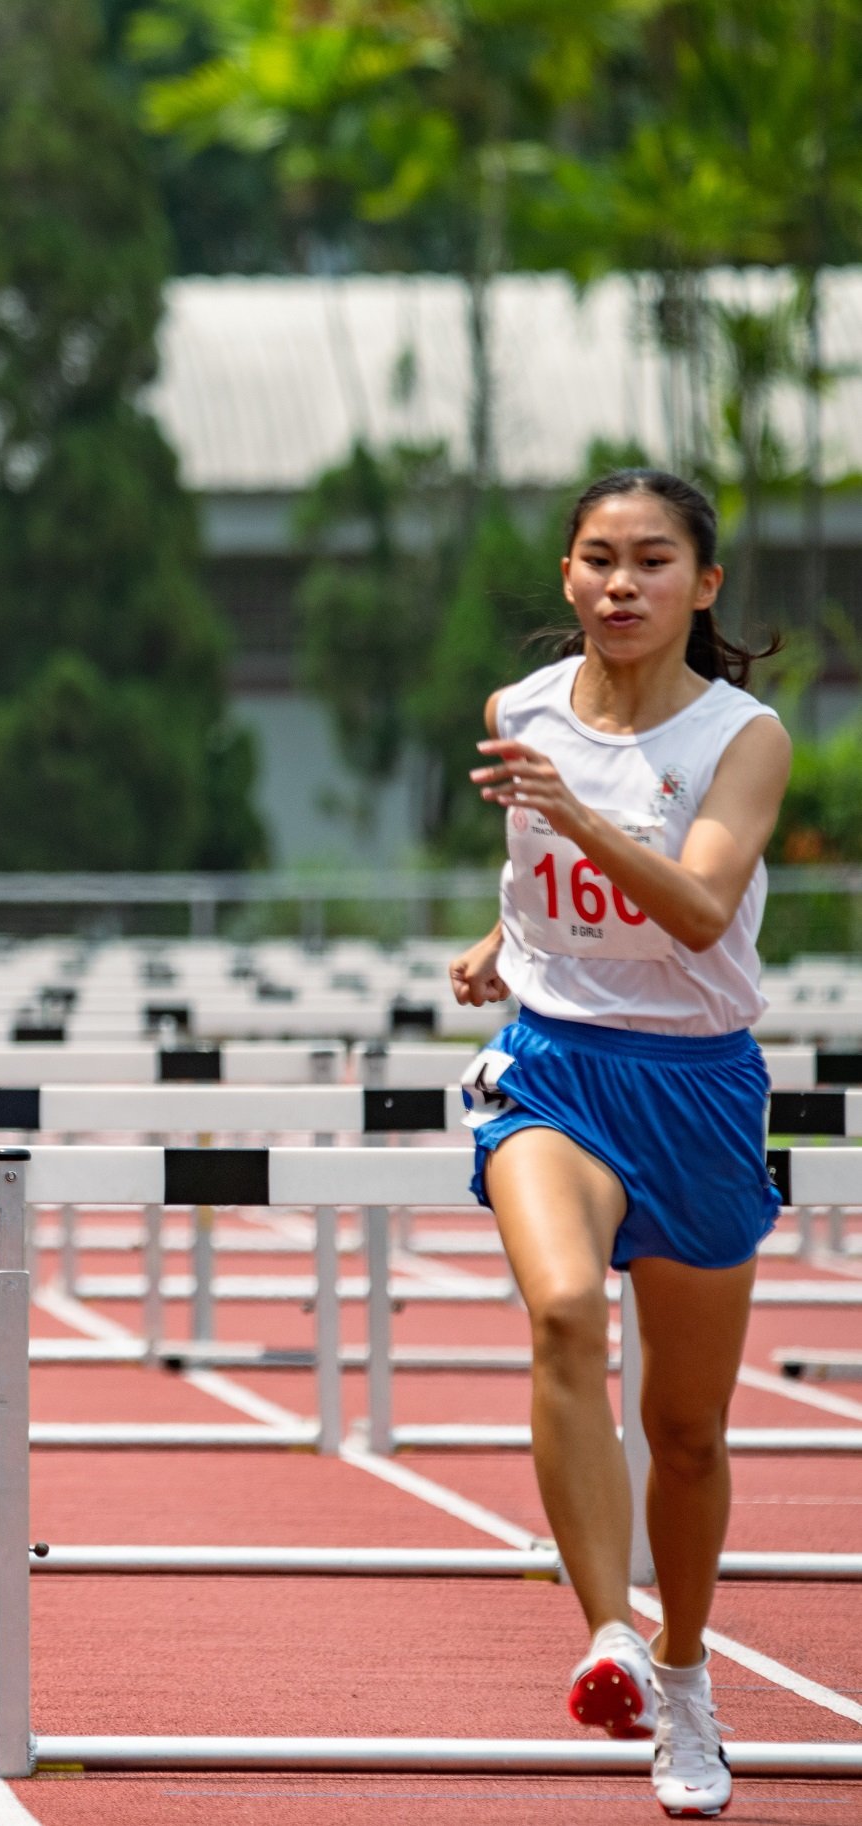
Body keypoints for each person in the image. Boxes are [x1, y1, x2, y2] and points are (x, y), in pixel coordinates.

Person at [449, 469, 788, 1819]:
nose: (620, 584)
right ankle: (607, 1632)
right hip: (555, 1068)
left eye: (653, 561)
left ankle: (688, 1671)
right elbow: (541, 878)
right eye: (597, 559)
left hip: (699, 1086)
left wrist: (585, 816)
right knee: (564, 1310)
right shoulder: (518, 711)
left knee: (688, 1431)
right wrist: (500, 942)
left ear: (702, 586)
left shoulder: (739, 736)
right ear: (570, 576)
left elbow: (703, 909)